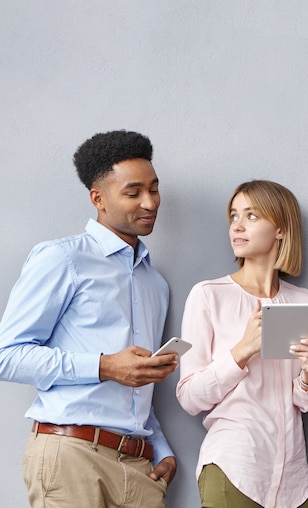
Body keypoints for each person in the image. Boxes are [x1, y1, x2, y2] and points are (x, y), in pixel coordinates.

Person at [0, 130, 179, 507]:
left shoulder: (155, 284)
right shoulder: (61, 259)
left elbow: (138, 385)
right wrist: (105, 366)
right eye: (133, 193)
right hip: (71, 456)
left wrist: (160, 446)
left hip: (139, 466)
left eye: (154, 189)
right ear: (98, 198)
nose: (149, 203)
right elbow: (8, 355)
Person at [176, 180, 308, 508]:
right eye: (233, 216)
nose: (238, 226)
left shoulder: (305, 302)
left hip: (293, 480)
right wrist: (242, 351)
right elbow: (188, 397)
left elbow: (306, 402)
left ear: (281, 230)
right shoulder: (208, 295)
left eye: (252, 216)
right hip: (234, 467)